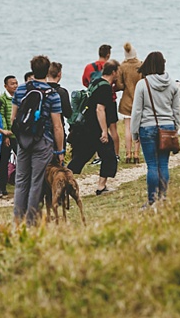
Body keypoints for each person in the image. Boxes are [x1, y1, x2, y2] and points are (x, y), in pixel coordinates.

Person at [12, 54, 64, 226]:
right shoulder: (52, 94)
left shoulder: (20, 90)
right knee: (37, 182)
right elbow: (57, 126)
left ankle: (18, 219)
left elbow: (14, 119)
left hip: (23, 141)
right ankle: (32, 222)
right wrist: (60, 150)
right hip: (43, 141)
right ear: (48, 70)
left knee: (21, 181)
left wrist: (19, 138)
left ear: (32, 69)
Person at [131, 51, 180, 206]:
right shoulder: (172, 84)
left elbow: (137, 111)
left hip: (147, 127)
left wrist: (134, 132)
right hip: (167, 127)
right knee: (163, 164)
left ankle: (152, 200)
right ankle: (163, 197)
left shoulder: (143, 84)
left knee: (152, 165)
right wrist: (175, 127)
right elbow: (176, 110)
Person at [68, 59, 120, 194]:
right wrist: (104, 131)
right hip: (95, 128)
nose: (119, 74)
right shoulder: (105, 87)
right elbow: (99, 109)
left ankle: (64, 180)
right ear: (113, 72)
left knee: (82, 156)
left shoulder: (96, 82)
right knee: (109, 155)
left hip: (86, 127)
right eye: (118, 71)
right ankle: (101, 187)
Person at [114, 42, 143, 164]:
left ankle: (127, 154)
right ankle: (136, 154)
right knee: (138, 128)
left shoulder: (122, 67)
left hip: (126, 101)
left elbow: (119, 85)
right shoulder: (141, 65)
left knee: (127, 128)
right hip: (139, 100)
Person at [0, 76, 18, 196]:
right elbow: (2, 117)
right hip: (8, 135)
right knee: (4, 160)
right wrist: (5, 134)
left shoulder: (19, 97)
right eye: (12, 84)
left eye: (16, 83)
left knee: (22, 159)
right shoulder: (3, 99)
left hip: (18, 135)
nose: (15, 86)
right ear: (5, 86)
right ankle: (1, 185)